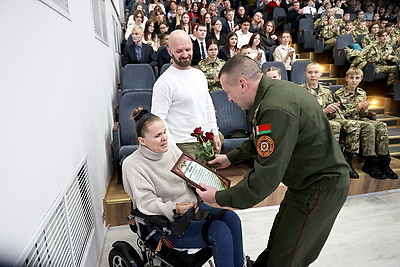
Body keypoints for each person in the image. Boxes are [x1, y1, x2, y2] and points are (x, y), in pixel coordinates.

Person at [196, 55, 350, 266]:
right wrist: (231, 158)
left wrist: (219, 197)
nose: (229, 99)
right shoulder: (275, 93)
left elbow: (265, 179)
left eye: (227, 92)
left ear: (242, 84)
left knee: (287, 258)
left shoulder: (274, 107)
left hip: (319, 189)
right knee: (277, 246)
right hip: (305, 185)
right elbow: (262, 137)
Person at [123, 107, 245, 267]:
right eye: (158, 135)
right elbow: (146, 203)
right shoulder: (132, 165)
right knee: (219, 231)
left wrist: (204, 179)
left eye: (165, 132)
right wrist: (175, 208)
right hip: (167, 224)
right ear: (142, 141)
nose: (164, 138)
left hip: (193, 208)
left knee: (232, 218)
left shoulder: (171, 147)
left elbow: (187, 176)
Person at [151, 30, 221, 157]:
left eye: (188, 49)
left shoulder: (199, 75)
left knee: (212, 176)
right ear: (170, 51)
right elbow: (159, 119)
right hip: (182, 144)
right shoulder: (164, 82)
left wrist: (215, 132)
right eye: (179, 51)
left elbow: (208, 105)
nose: (185, 55)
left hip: (206, 139)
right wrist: (173, 149)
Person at [333, 68, 398, 180]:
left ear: (361, 79)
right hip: (346, 120)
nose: (354, 81)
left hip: (360, 119)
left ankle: (383, 162)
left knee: (382, 125)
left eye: (357, 78)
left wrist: (365, 108)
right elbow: (340, 114)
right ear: (346, 79)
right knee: (369, 126)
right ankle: (369, 161)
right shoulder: (338, 94)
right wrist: (356, 109)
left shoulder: (362, 93)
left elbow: (364, 114)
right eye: (351, 78)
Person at [302, 62, 361, 178]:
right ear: (305, 74)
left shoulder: (326, 90)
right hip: (311, 121)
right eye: (310, 72)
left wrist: (334, 108)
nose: (313, 75)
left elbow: (331, 109)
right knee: (335, 125)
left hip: (329, 118)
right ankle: (332, 162)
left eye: (316, 72)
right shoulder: (300, 90)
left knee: (353, 124)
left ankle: (347, 161)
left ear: (321, 74)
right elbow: (303, 112)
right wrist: (324, 111)